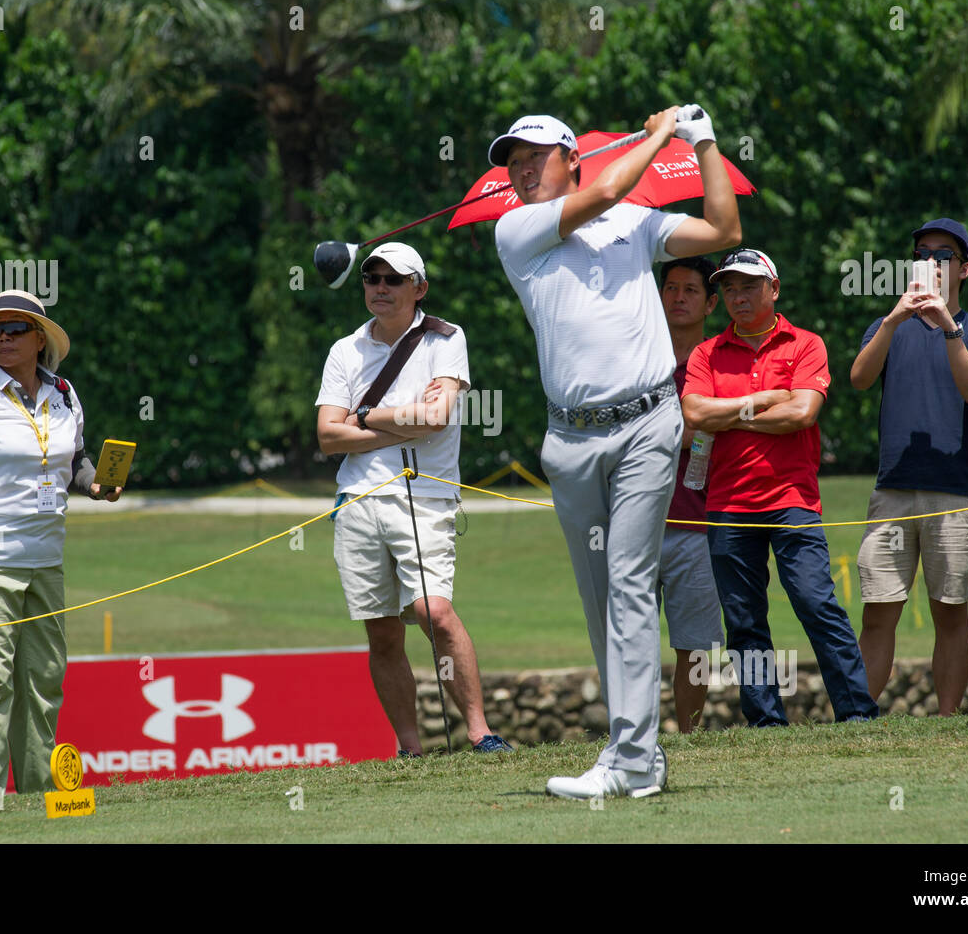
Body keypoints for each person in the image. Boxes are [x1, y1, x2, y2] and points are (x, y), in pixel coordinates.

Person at [490, 106, 740, 798]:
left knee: (629, 579)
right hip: (569, 442)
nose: (519, 168)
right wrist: (660, 136)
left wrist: (703, 140)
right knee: (602, 596)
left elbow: (723, 229)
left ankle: (629, 756)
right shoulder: (516, 228)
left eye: (534, 155)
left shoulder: (636, 224)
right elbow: (600, 194)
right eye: (512, 160)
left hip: (646, 425)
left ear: (572, 156)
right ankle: (641, 751)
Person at [0, 290, 122, 795]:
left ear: (40, 339)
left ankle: (39, 799)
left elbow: (72, 461)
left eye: (14, 331)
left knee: (44, 680)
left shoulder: (66, 395)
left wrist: (94, 483)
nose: (3, 339)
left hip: (46, 560)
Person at [315, 242, 511, 755]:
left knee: (434, 613)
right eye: (371, 278)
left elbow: (436, 418)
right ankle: (409, 747)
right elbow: (327, 438)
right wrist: (402, 424)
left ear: (418, 289)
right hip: (356, 499)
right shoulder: (344, 349)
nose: (380, 287)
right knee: (382, 633)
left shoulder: (446, 338)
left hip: (424, 497)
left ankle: (480, 732)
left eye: (393, 280)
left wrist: (361, 417)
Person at [681, 249, 878, 727]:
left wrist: (732, 415)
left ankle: (857, 713)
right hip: (727, 505)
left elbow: (802, 414)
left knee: (817, 603)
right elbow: (694, 415)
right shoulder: (706, 353)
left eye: (748, 286)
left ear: (774, 289)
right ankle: (766, 721)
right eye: (728, 288)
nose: (737, 296)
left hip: (792, 502)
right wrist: (767, 400)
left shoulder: (806, 344)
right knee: (744, 622)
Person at [850, 219, 968, 716]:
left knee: (950, 612)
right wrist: (894, 321)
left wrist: (948, 328)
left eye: (943, 254)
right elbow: (858, 379)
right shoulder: (887, 325)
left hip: (955, 492)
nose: (931, 261)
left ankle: (947, 719)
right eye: (922, 253)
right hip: (893, 490)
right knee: (878, 612)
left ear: (964, 269)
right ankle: (856, 715)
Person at [657, 256, 725, 733]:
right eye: (670, 288)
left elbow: (726, 427)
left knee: (696, 645)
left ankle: (690, 737)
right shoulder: (634, 358)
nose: (678, 298)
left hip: (700, 524)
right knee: (629, 639)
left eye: (690, 290)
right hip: (634, 524)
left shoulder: (722, 361)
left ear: (710, 302)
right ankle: (632, 736)